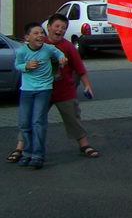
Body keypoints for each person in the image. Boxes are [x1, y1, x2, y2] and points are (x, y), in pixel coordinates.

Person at [7, 14, 99, 163]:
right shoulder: (37, 45)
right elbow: (20, 62)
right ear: (48, 27)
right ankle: (20, 147)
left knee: (72, 117)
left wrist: (87, 85)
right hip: (41, 91)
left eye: (63, 28)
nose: (60, 30)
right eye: (57, 26)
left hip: (64, 90)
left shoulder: (67, 46)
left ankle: (84, 145)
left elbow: (79, 67)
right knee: (32, 119)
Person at [13, 22, 67, 169]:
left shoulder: (48, 49)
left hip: (44, 90)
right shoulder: (22, 52)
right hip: (27, 91)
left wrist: (62, 58)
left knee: (38, 122)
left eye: (41, 33)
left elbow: (59, 53)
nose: (40, 36)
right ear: (27, 37)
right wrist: (26, 66)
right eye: (36, 33)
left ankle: (38, 156)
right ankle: (26, 154)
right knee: (24, 123)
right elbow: (17, 65)